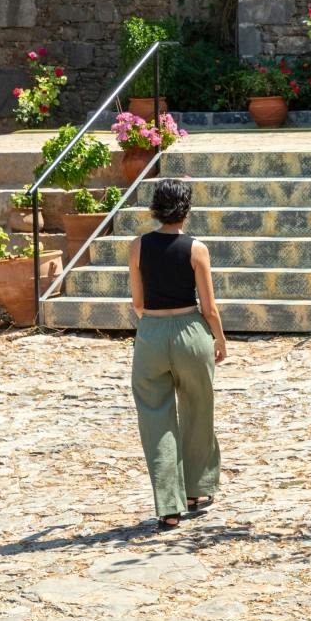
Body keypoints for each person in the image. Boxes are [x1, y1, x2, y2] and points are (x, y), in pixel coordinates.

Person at [128, 178, 225, 531]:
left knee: (155, 418)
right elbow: (209, 307)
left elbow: (137, 303)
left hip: (151, 334)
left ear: (156, 208)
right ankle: (197, 491)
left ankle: (168, 506)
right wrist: (220, 339)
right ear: (186, 209)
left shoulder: (137, 246)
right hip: (190, 331)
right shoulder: (197, 249)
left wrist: (154, 328)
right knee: (199, 408)